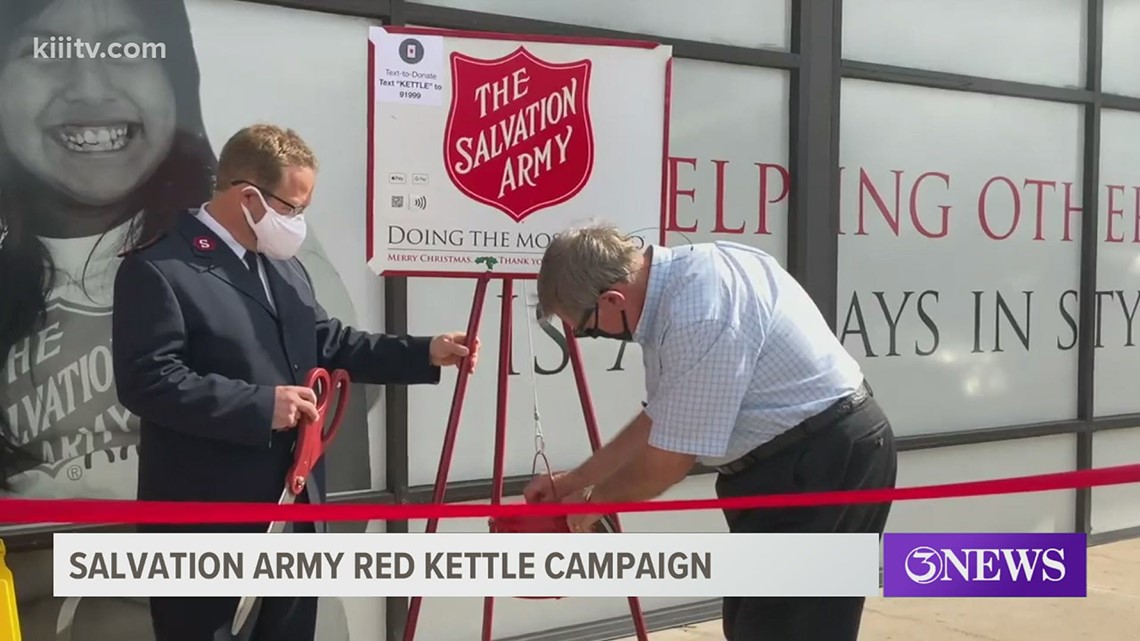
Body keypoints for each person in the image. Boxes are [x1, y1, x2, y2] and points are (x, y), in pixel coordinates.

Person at [110, 123, 480, 641]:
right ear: (248, 198)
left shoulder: (284, 269)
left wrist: (424, 352)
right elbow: (148, 380)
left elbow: (330, 341)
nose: (297, 223)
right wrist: (260, 406)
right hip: (207, 520)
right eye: (292, 208)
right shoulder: (161, 269)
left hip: (295, 510)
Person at [524, 222, 898, 641]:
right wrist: (574, 482)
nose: (595, 335)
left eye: (589, 328)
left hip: (822, 462)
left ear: (612, 299)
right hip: (801, 460)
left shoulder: (700, 312)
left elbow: (669, 460)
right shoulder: (680, 284)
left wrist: (595, 504)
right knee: (755, 625)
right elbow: (661, 418)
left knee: (789, 628)